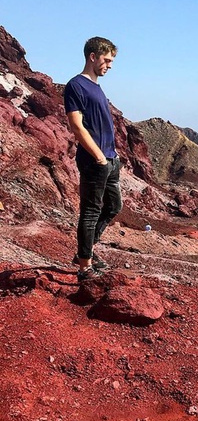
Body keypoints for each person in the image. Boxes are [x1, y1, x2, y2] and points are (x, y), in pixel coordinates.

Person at [64, 37, 121, 282]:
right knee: (90, 212)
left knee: (113, 206)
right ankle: (84, 267)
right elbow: (77, 126)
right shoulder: (75, 86)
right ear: (92, 56)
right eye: (106, 60)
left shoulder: (96, 87)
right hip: (94, 160)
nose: (109, 65)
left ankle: (84, 252)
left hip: (110, 159)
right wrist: (98, 156)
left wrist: (112, 156)